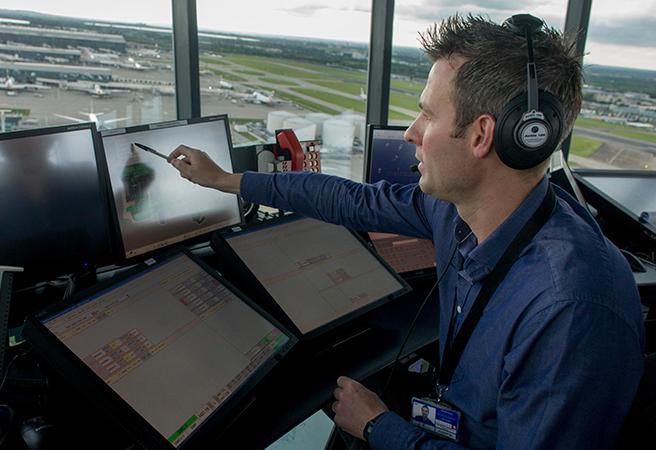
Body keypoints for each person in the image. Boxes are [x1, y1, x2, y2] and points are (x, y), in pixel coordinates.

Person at [167, 14, 644, 450]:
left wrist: (379, 426)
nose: (411, 133)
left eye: (428, 114)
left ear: (483, 135)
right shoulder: (456, 212)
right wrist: (229, 181)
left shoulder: (569, 307)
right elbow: (350, 200)